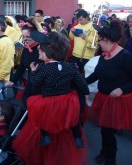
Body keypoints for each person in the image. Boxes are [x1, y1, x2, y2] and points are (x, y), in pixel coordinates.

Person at [12, 31, 89, 165]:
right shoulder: (70, 67)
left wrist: (33, 73)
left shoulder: (42, 69)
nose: (38, 51)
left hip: (47, 106)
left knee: (42, 122)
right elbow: (84, 87)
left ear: (50, 51)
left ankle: (45, 136)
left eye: (41, 50)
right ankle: (77, 138)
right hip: (66, 107)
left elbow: (34, 87)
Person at [87, 20, 132, 165]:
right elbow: (97, 74)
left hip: (119, 101)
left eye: (99, 40)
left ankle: (111, 157)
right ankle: (105, 152)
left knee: (107, 131)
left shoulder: (125, 56)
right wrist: (81, 82)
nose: (98, 42)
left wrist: (122, 89)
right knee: (105, 130)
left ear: (106, 40)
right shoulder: (104, 55)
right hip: (104, 98)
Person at [5, 18, 42, 106]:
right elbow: (21, 67)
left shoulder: (41, 50)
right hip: (30, 81)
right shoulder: (26, 48)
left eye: (28, 36)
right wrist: (12, 81)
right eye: (23, 36)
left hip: (40, 85)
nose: (25, 39)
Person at [69, 9, 96, 74]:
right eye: (78, 20)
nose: (79, 22)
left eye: (81, 19)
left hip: (87, 56)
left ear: (86, 17)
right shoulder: (76, 26)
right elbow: (71, 37)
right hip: (75, 55)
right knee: (74, 75)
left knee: (86, 75)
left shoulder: (93, 26)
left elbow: (96, 40)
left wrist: (86, 37)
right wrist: (71, 31)